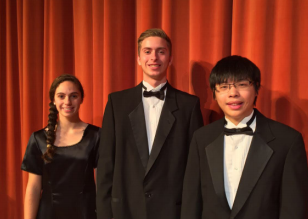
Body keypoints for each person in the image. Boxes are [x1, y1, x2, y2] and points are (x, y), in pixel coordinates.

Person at [181, 55, 308, 219]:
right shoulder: (201, 138)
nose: (233, 93)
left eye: (242, 85)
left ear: (256, 89)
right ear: (214, 93)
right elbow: (191, 202)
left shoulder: (287, 141)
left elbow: (294, 210)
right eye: (224, 86)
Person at [96, 28, 204, 219]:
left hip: (173, 211)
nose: (154, 57)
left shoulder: (189, 105)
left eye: (161, 51)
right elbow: (106, 164)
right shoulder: (117, 103)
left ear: (170, 58)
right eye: (147, 51)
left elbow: (195, 169)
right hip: (125, 210)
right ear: (138, 58)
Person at [21, 74, 100, 219]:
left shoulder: (96, 136)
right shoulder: (38, 139)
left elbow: (102, 184)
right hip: (48, 214)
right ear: (53, 100)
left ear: (81, 98)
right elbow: (33, 187)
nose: (67, 102)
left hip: (85, 213)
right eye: (61, 96)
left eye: (73, 96)